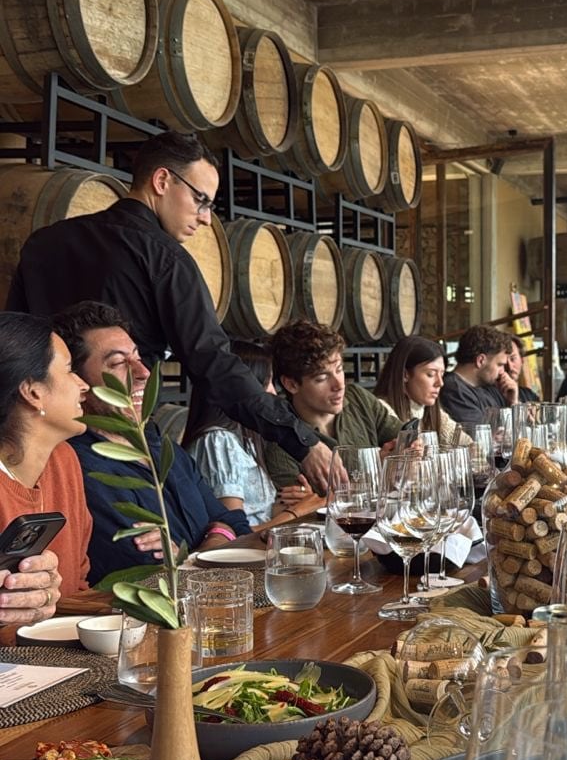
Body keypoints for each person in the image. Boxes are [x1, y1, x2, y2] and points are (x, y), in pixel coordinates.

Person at [6, 132, 334, 492]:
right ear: (162, 181)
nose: (206, 218)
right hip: (120, 442)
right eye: (201, 200)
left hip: (44, 438)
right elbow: (214, 365)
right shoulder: (167, 259)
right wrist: (300, 440)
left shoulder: (42, 243)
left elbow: (18, 348)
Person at [54, 303, 256, 585]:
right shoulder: (78, 467)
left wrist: (188, 556)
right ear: (80, 384)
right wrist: (212, 542)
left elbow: (235, 522)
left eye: (137, 357)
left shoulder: (160, 445)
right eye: (117, 363)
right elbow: (147, 573)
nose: (143, 372)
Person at [0, 312, 92, 603]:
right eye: (68, 370)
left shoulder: (63, 461)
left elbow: (77, 585)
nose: (83, 385)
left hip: (60, 647)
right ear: (33, 391)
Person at [266, 320, 401, 489]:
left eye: (339, 369)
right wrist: (375, 471)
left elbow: (403, 436)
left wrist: (409, 447)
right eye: (322, 378)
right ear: (291, 384)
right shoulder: (281, 440)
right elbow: (301, 510)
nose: (339, 385)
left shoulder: (358, 398)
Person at [182, 339, 300, 527]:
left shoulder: (243, 440)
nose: (274, 393)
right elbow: (234, 530)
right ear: (243, 389)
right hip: (242, 553)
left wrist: (303, 502)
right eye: (266, 383)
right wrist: (296, 513)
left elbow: (260, 514)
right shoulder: (217, 441)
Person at [373, 335, 467, 447]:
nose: (440, 383)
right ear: (405, 375)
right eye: (430, 374)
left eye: (442, 374)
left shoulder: (432, 413)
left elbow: (468, 444)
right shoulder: (383, 412)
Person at [440, 326, 519, 433]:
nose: (503, 371)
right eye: (500, 364)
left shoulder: (489, 386)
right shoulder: (454, 390)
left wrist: (513, 402)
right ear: (481, 360)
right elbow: (480, 441)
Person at [507, 335, 540, 403]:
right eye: (504, 360)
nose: (509, 366)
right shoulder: (489, 396)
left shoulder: (530, 395)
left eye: (513, 359)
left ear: (522, 360)